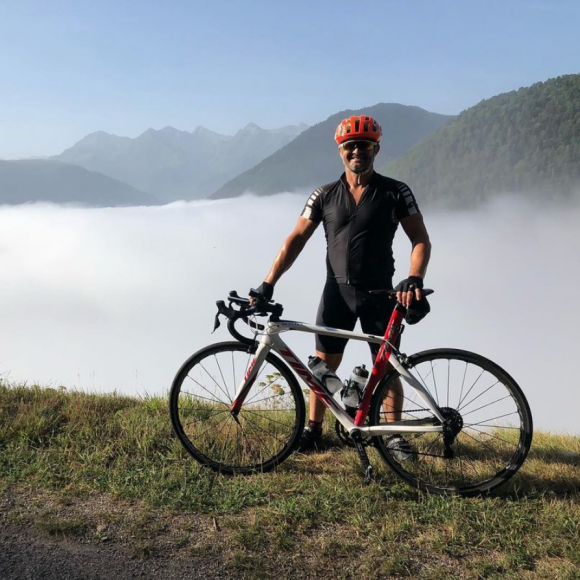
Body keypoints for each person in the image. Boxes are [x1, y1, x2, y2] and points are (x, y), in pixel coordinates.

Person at [252, 115, 431, 457]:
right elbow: (295, 240)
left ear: (376, 148)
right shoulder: (324, 195)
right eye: (350, 146)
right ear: (340, 151)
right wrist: (267, 283)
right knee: (324, 365)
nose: (357, 151)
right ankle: (315, 429)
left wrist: (415, 277)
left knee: (387, 367)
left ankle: (392, 435)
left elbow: (420, 239)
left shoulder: (395, 191)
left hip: (381, 294)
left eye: (364, 145)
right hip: (337, 292)